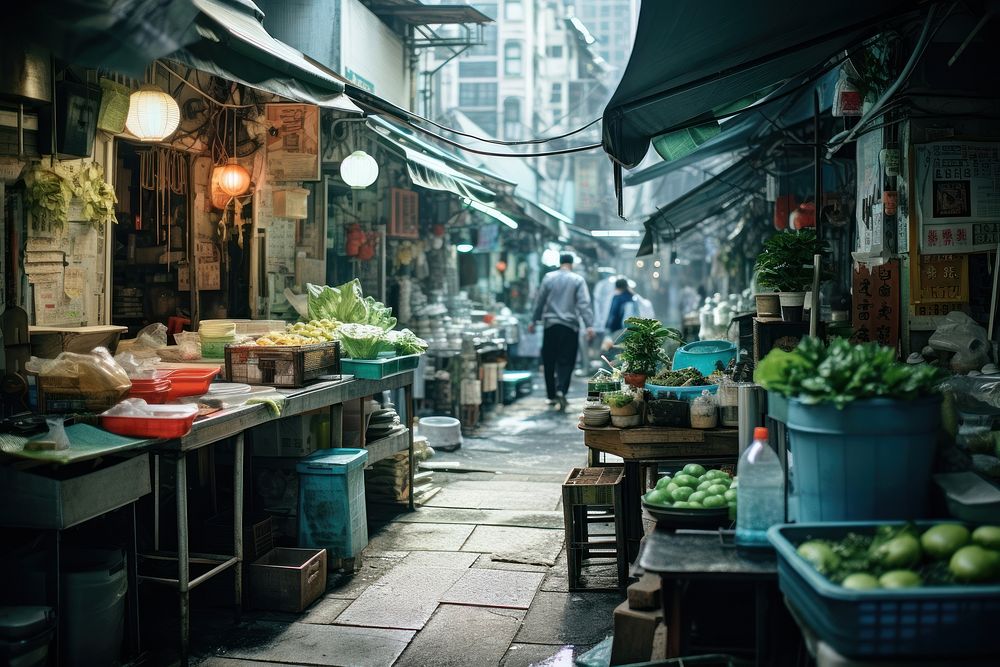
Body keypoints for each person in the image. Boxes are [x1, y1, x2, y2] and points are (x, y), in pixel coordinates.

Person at [530, 253, 594, 410]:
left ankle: (551, 396)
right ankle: (562, 390)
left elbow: (540, 301)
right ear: (571, 264)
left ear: (560, 263)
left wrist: (534, 320)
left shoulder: (548, 278)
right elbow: (583, 304)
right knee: (566, 360)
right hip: (570, 327)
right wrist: (589, 325)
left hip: (550, 326)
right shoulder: (577, 280)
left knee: (549, 361)